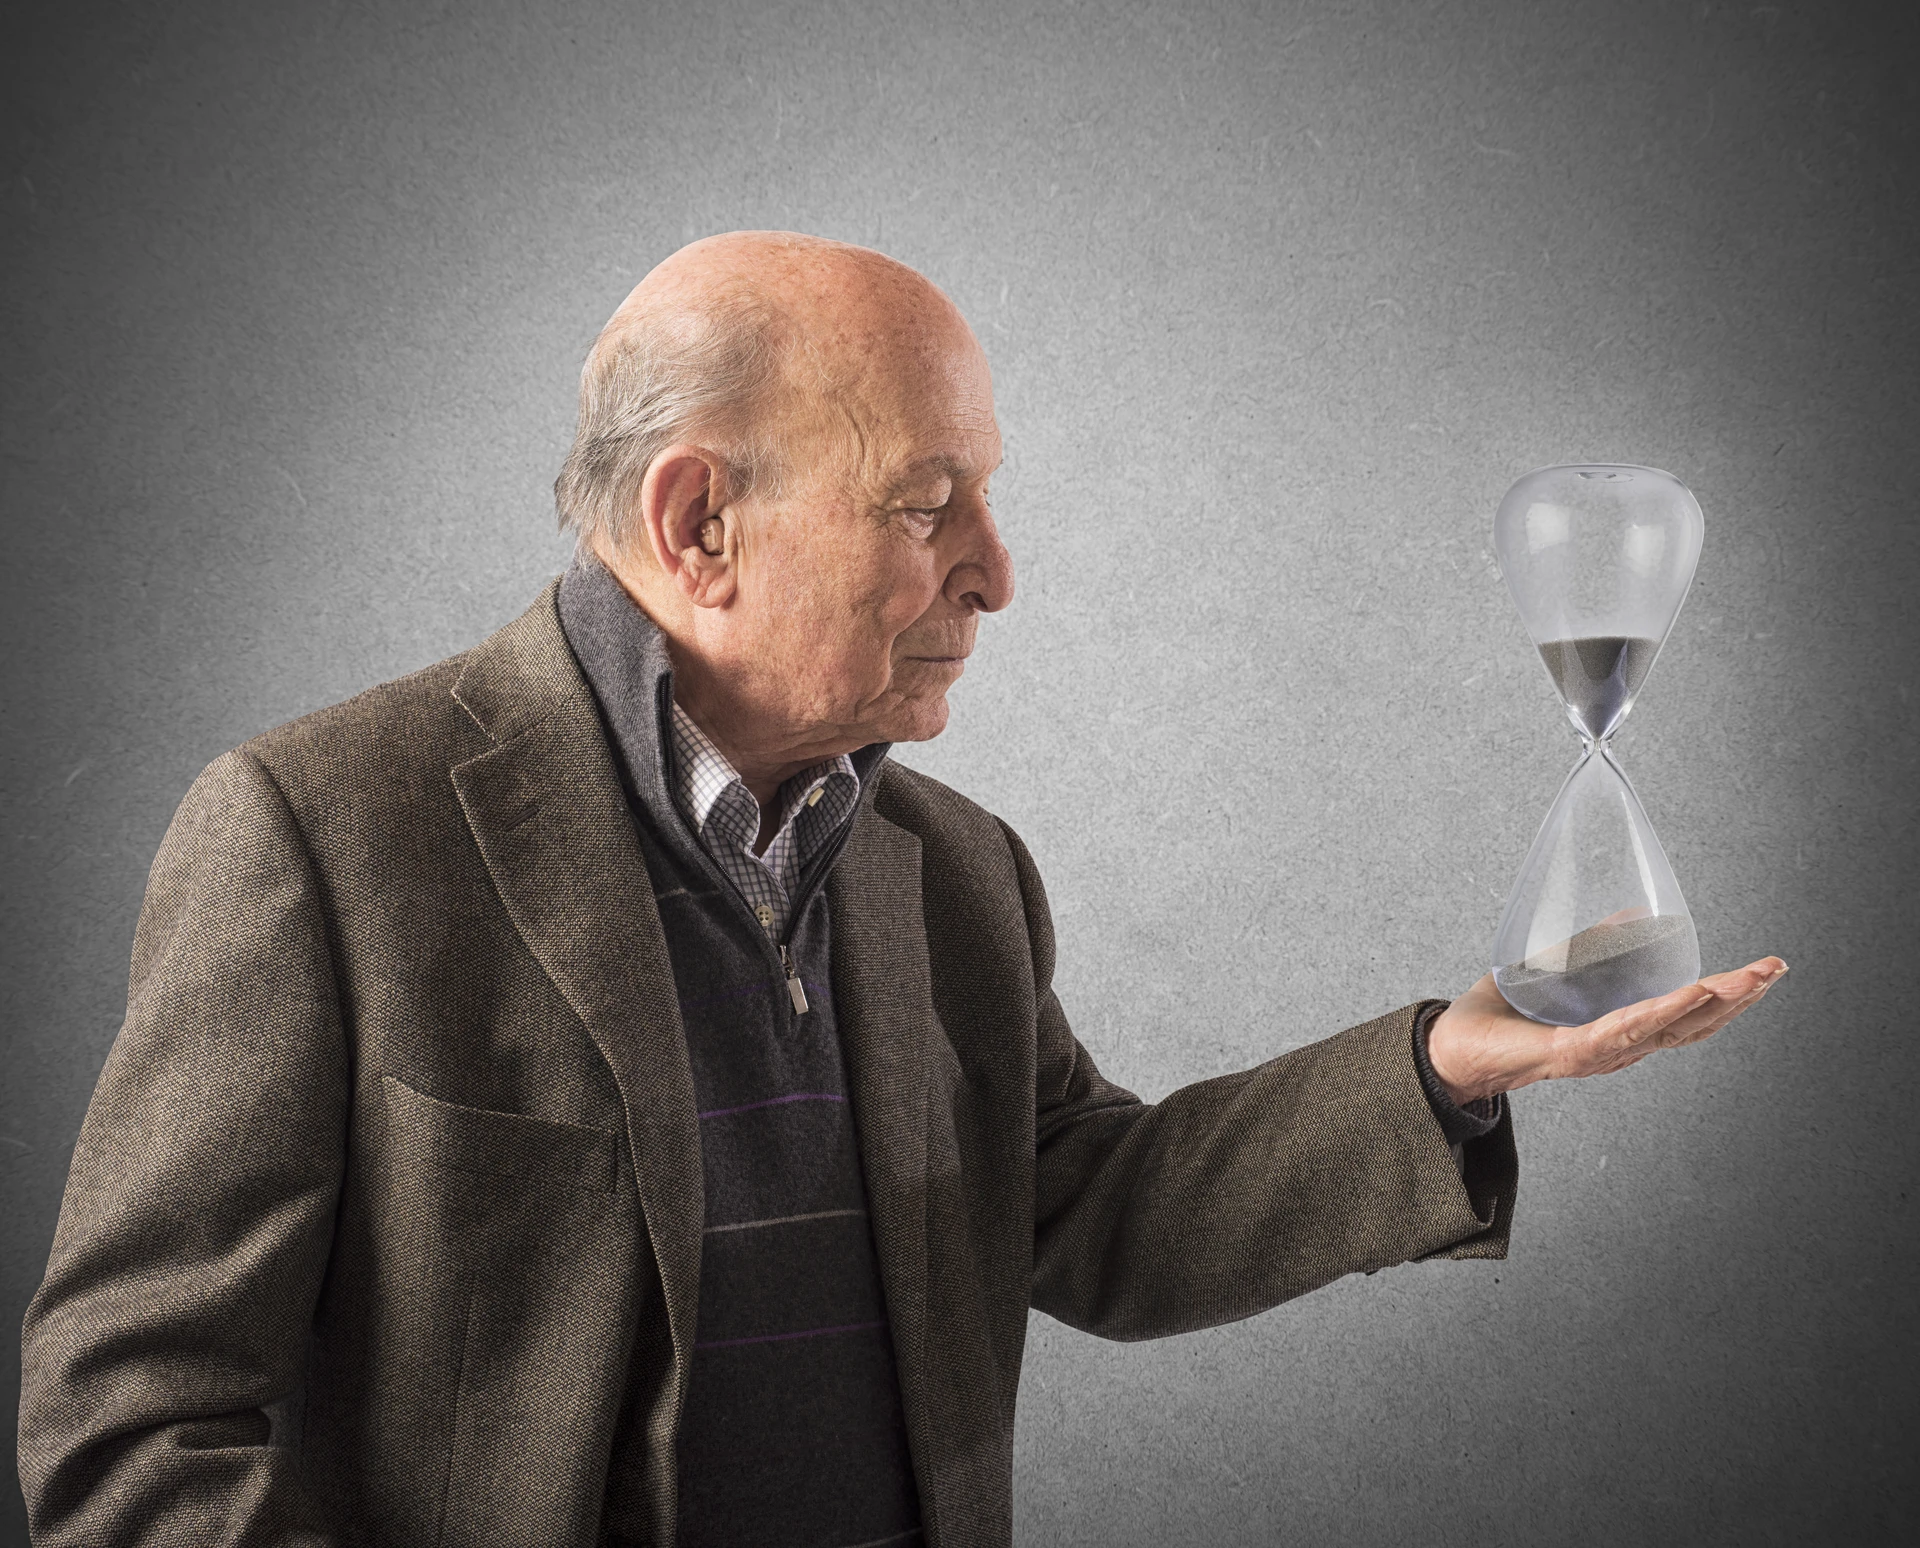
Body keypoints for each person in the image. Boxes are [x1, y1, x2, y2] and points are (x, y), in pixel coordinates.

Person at [16, 231, 1784, 1548]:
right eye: (929, 504)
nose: (996, 574)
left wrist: (1450, 1068)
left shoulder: (957, 875)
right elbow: (131, 1425)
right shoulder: (318, 837)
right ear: (698, 524)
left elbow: (1088, 1213)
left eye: (986, 502)